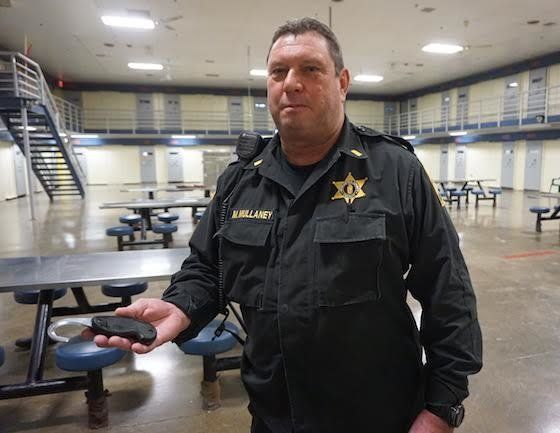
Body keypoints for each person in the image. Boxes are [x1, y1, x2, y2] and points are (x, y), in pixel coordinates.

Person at [92, 17, 482, 433]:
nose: (291, 83)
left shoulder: (395, 171)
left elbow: (448, 291)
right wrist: (180, 306)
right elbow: (208, 267)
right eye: (278, 72)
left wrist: (442, 405)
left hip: (379, 415)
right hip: (274, 416)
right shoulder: (241, 179)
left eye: (310, 69)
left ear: (342, 81)